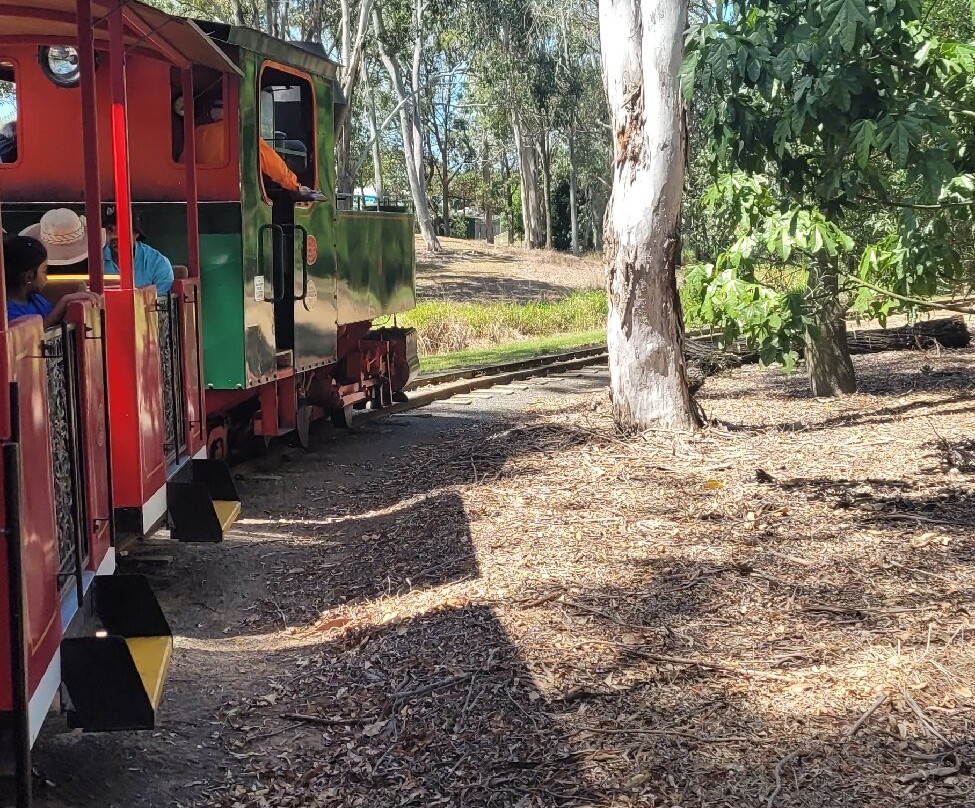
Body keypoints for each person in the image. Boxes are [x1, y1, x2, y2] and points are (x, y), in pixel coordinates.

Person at [3, 234, 98, 327]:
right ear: (29, 277)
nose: (46, 277)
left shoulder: (35, 298)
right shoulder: (7, 312)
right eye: (44, 271)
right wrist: (63, 302)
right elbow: (33, 336)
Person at [102, 209, 175, 296]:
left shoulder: (158, 263)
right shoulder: (92, 261)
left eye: (123, 229)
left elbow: (162, 305)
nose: (115, 236)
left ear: (136, 234)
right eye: (110, 230)